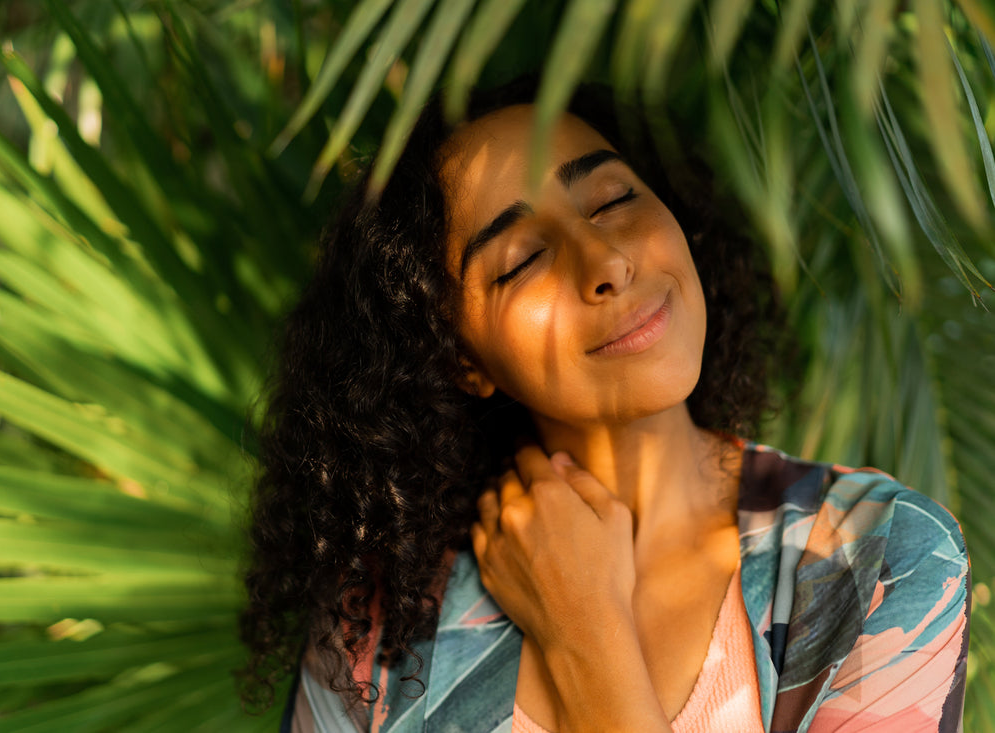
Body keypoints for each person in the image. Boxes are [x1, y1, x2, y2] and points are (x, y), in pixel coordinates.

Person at [238, 79, 971, 732]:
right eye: (522, 258)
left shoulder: (881, 561)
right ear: (460, 356)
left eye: (614, 199)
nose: (606, 262)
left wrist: (586, 631)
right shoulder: (376, 630)